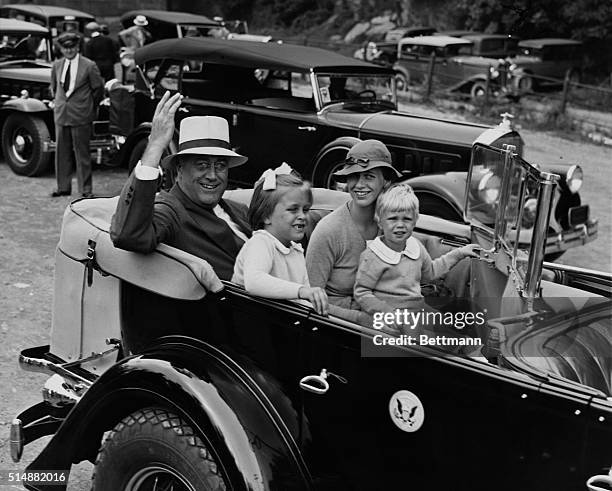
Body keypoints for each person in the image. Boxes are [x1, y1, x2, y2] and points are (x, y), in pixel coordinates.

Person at [110, 92, 252, 281]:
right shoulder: (171, 211)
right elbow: (128, 235)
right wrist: (155, 145)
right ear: (179, 169)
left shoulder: (238, 210)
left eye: (220, 166)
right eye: (201, 165)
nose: (212, 175)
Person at [305, 139, 401, 324]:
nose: (359, 185)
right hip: (338, 325)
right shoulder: (330, 231)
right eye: (353, 176)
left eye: (369, 176)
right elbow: (309, 300)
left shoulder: (389, 225)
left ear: (386, 181)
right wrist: (361, 319)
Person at [354, 183, 480, 319]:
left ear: (415, 222)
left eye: (407, 219)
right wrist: (387, 313)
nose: (400, 225)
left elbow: (431, 272)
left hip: (416, 308)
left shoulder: (415, 246)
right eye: (393, 219)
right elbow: (362, 292)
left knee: (450, 325)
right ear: (380, 222)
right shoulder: (373, 255)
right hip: (390, 315)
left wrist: (460, 253)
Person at [232, 163, 329, 315]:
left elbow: (302, 299)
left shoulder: (295, 250)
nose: (302, 216)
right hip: (251, 321)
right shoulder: (261, 242)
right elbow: (254, 282)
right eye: (292, 209)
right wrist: (302, 291)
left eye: (305, 209)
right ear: (266, 216)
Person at [50, 31, 104, 198]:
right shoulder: (57, 65)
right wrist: (59, 103)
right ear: (61, 49)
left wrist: (89, 107)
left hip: (81, 114)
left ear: (78, 47)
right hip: (62, 114)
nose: (69, 51)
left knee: (82, 153)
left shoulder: (89, 65)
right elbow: (54, 87)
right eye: (65, 48)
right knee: (61, 152)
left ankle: (86, 189)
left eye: (72, 47)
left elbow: (98, 89)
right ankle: (63, 187)